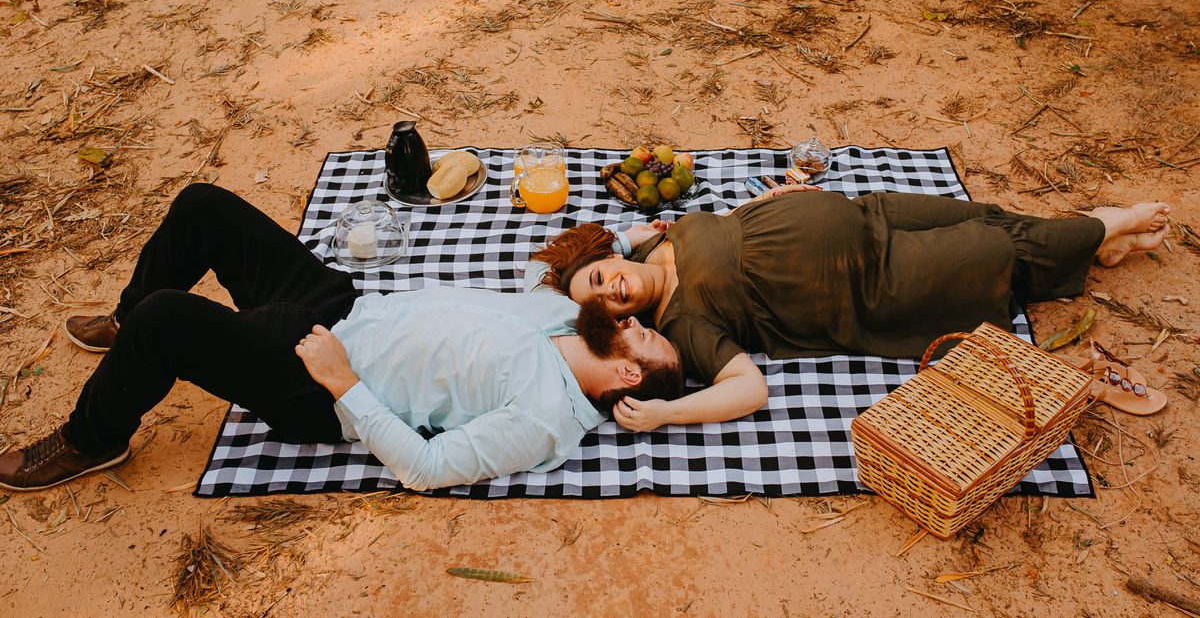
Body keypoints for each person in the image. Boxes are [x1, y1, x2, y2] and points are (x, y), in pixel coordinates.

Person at [0, 184, 682, 493]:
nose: (631, 320)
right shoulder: (568, 317)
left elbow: (426, 468)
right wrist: (639, 242)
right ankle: (126, 325)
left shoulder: (542, 420)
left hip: (316, 378)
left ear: (626, 377)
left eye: (641, 338)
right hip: (343, 303)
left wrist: (343, 382)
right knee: (202, 208)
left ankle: (92, 438)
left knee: (168, 321)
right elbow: (550, 267)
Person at [529, 186, 1171, 431]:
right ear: (617, 324)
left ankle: (1104, 245)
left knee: (980, 215)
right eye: (605, 305)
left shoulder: (662, 237)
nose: (613, 291)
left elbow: (632, 237)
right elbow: (746, 390)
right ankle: (1107, 226)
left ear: (607, 255)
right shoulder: (683, 325)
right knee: (990, 249)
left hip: (866, 214)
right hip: (870, 281)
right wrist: (668, 412)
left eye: (600, 276)